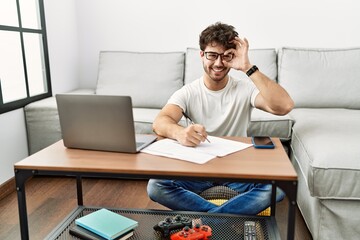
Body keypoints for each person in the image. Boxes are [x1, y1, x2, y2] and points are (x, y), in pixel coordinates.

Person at [147, 22, 294, 215]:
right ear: (202, 55)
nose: (218, 63)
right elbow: (160, 122)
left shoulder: (244, 88)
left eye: (226, 56)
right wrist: (180, 132)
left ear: (233, 57)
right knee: (156, 186)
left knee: (279, 187)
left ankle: (212, 221)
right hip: (197, 169)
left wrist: (248, 67)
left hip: (237, 169)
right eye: (212, 55)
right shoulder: (189, 92)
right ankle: (223, 219)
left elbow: (284, 106)